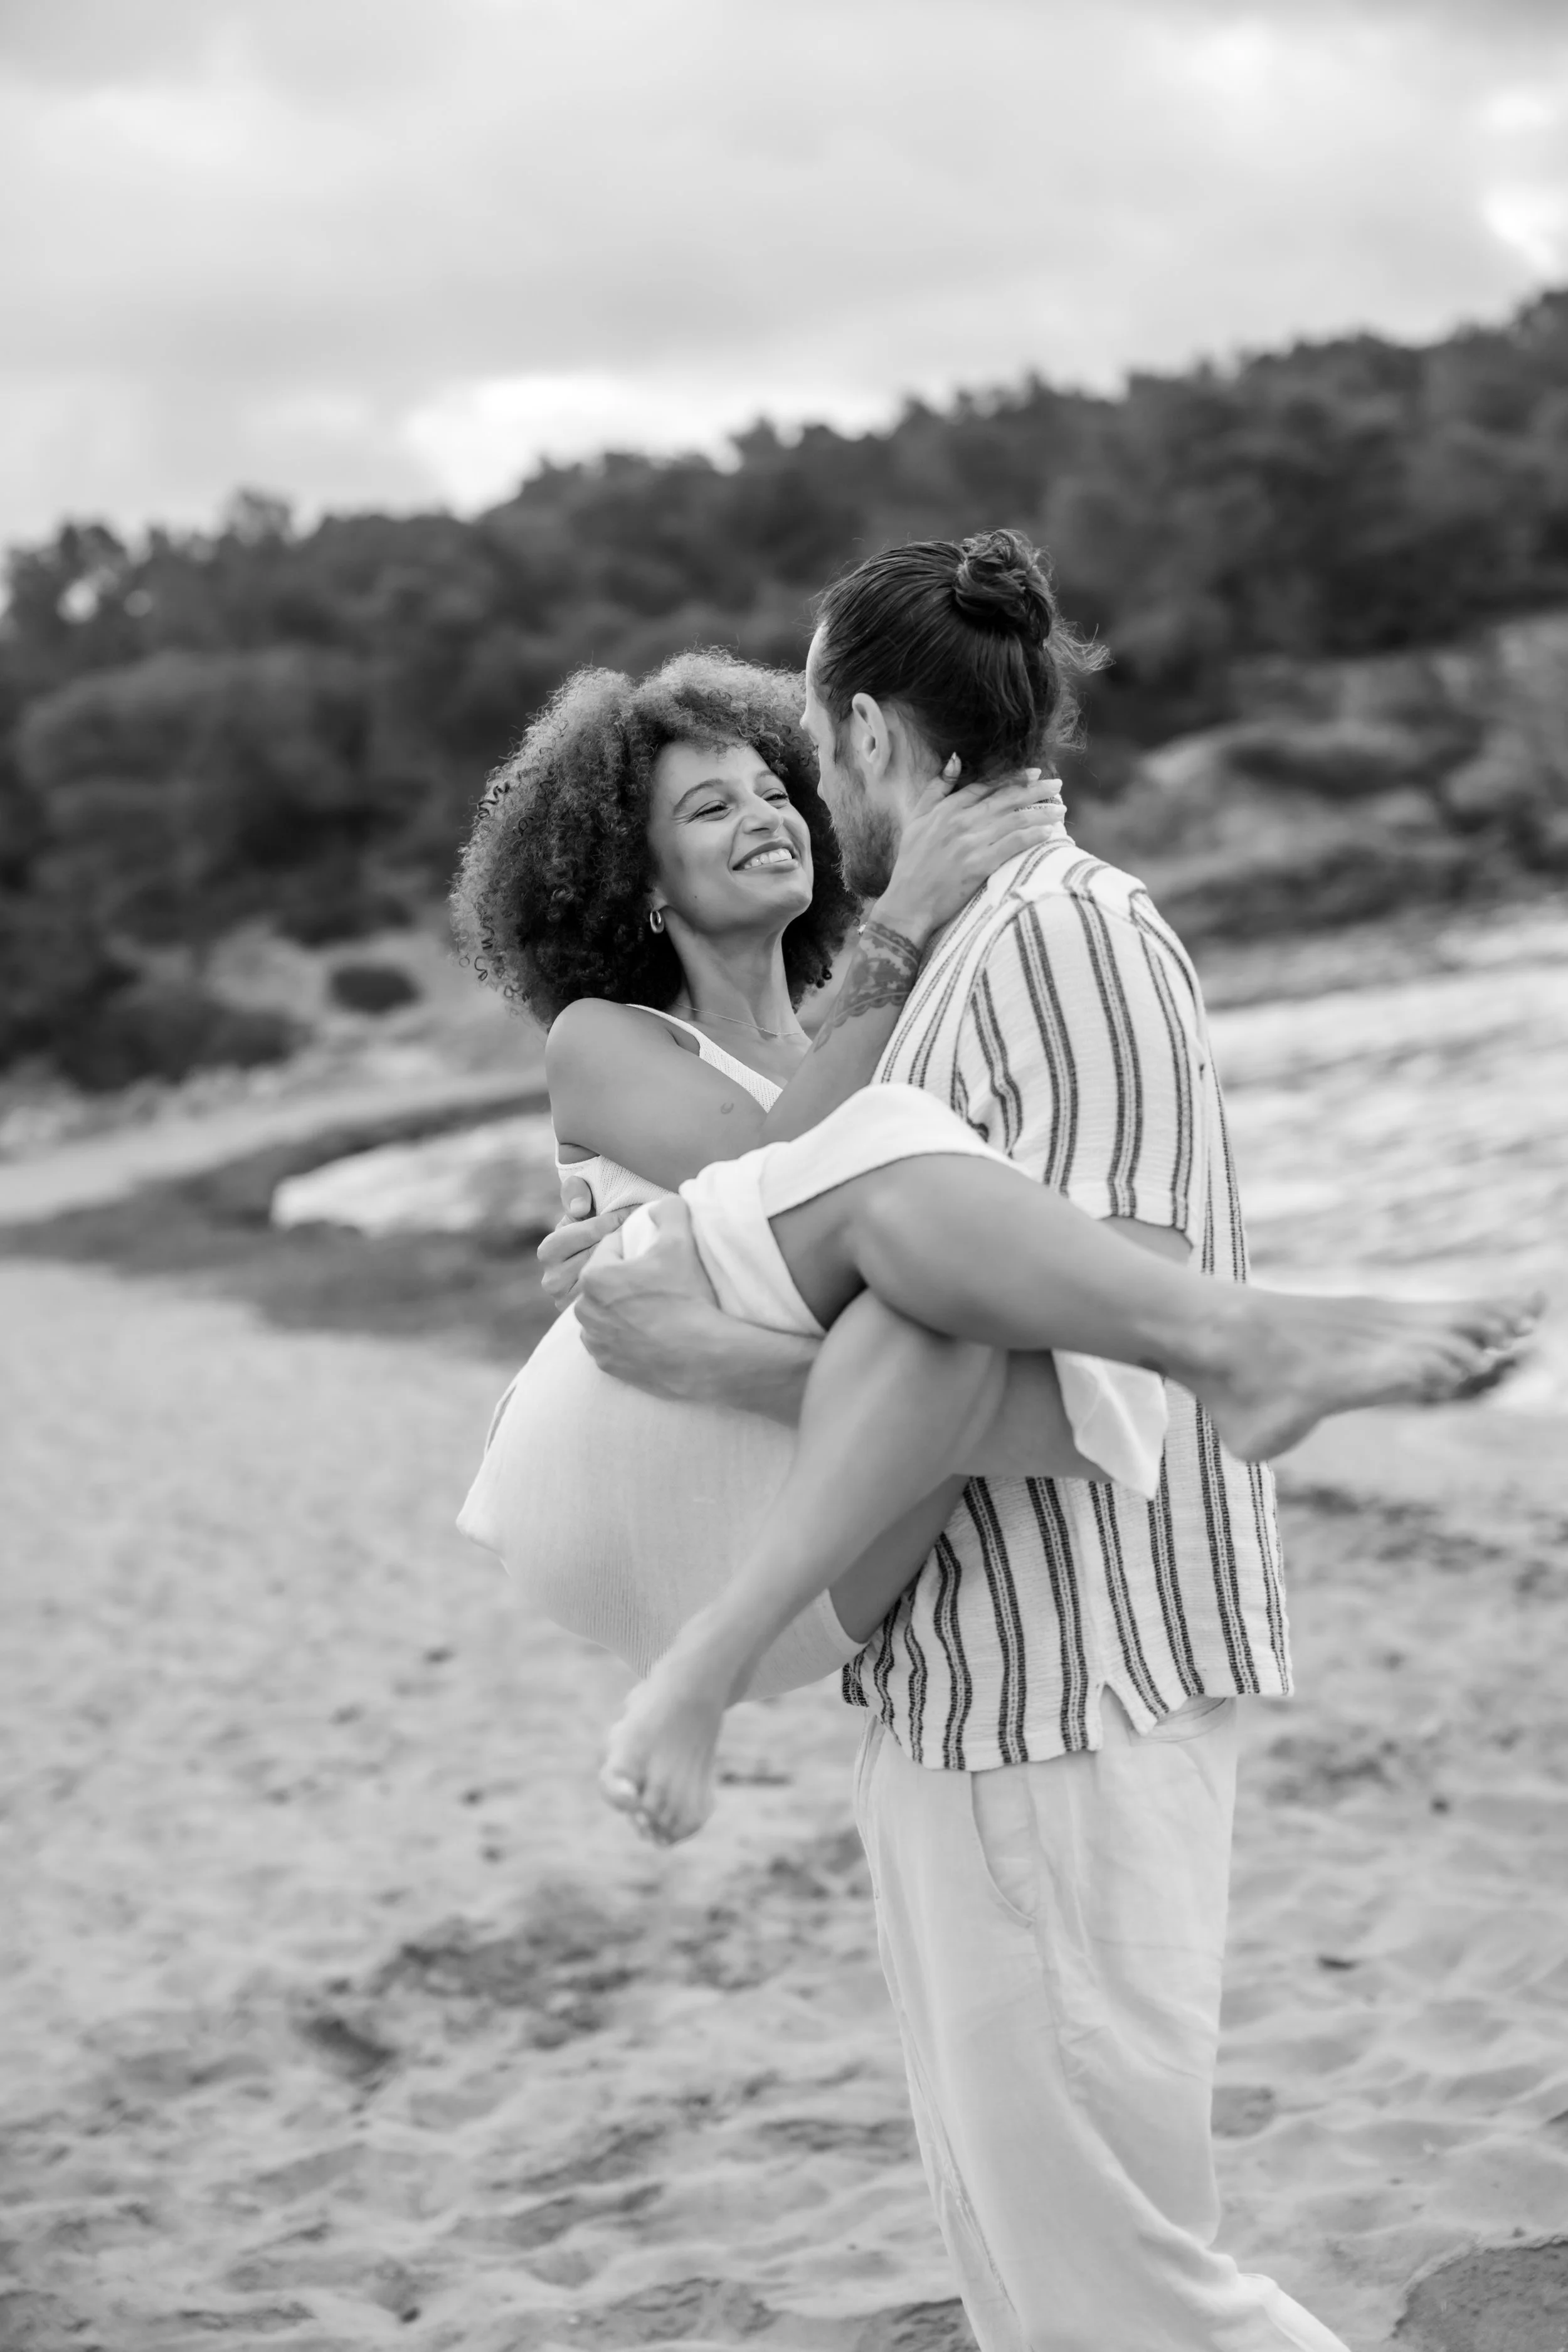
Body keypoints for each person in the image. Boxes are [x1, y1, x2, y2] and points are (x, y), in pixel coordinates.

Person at [527, 531, 1537, 2351]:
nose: (779, 802)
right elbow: (854, 1248)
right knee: (1027, 2275)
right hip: (948, 1663)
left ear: (862, 740)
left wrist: (716, 1348)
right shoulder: (912, 976)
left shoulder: (1051, 938)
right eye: (713, 802)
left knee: (1120, 2292)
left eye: (792, 762)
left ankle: (1263, 1350)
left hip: (1064, 1668)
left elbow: (1095, 1363)